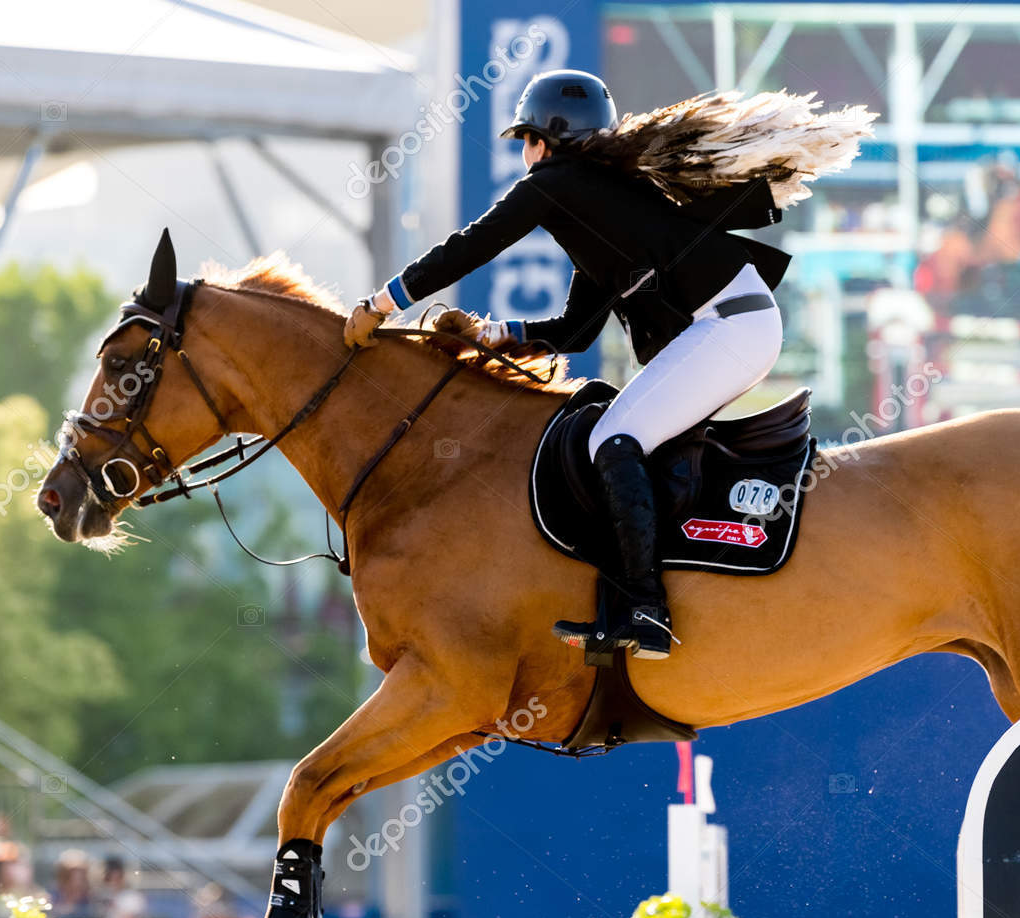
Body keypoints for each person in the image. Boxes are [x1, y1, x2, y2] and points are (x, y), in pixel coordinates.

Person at [344, 70, 872, 660]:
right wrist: (494, 335)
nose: (523, 155)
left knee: (614, 437)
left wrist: (381, 304)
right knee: (622, 435)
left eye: (525, 139)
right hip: (733, 325)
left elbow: (472, 244)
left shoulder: (556, 183)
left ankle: (646, 611)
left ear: (545, 139)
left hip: (731, 327)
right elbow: (576, 330)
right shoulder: (596, 206)